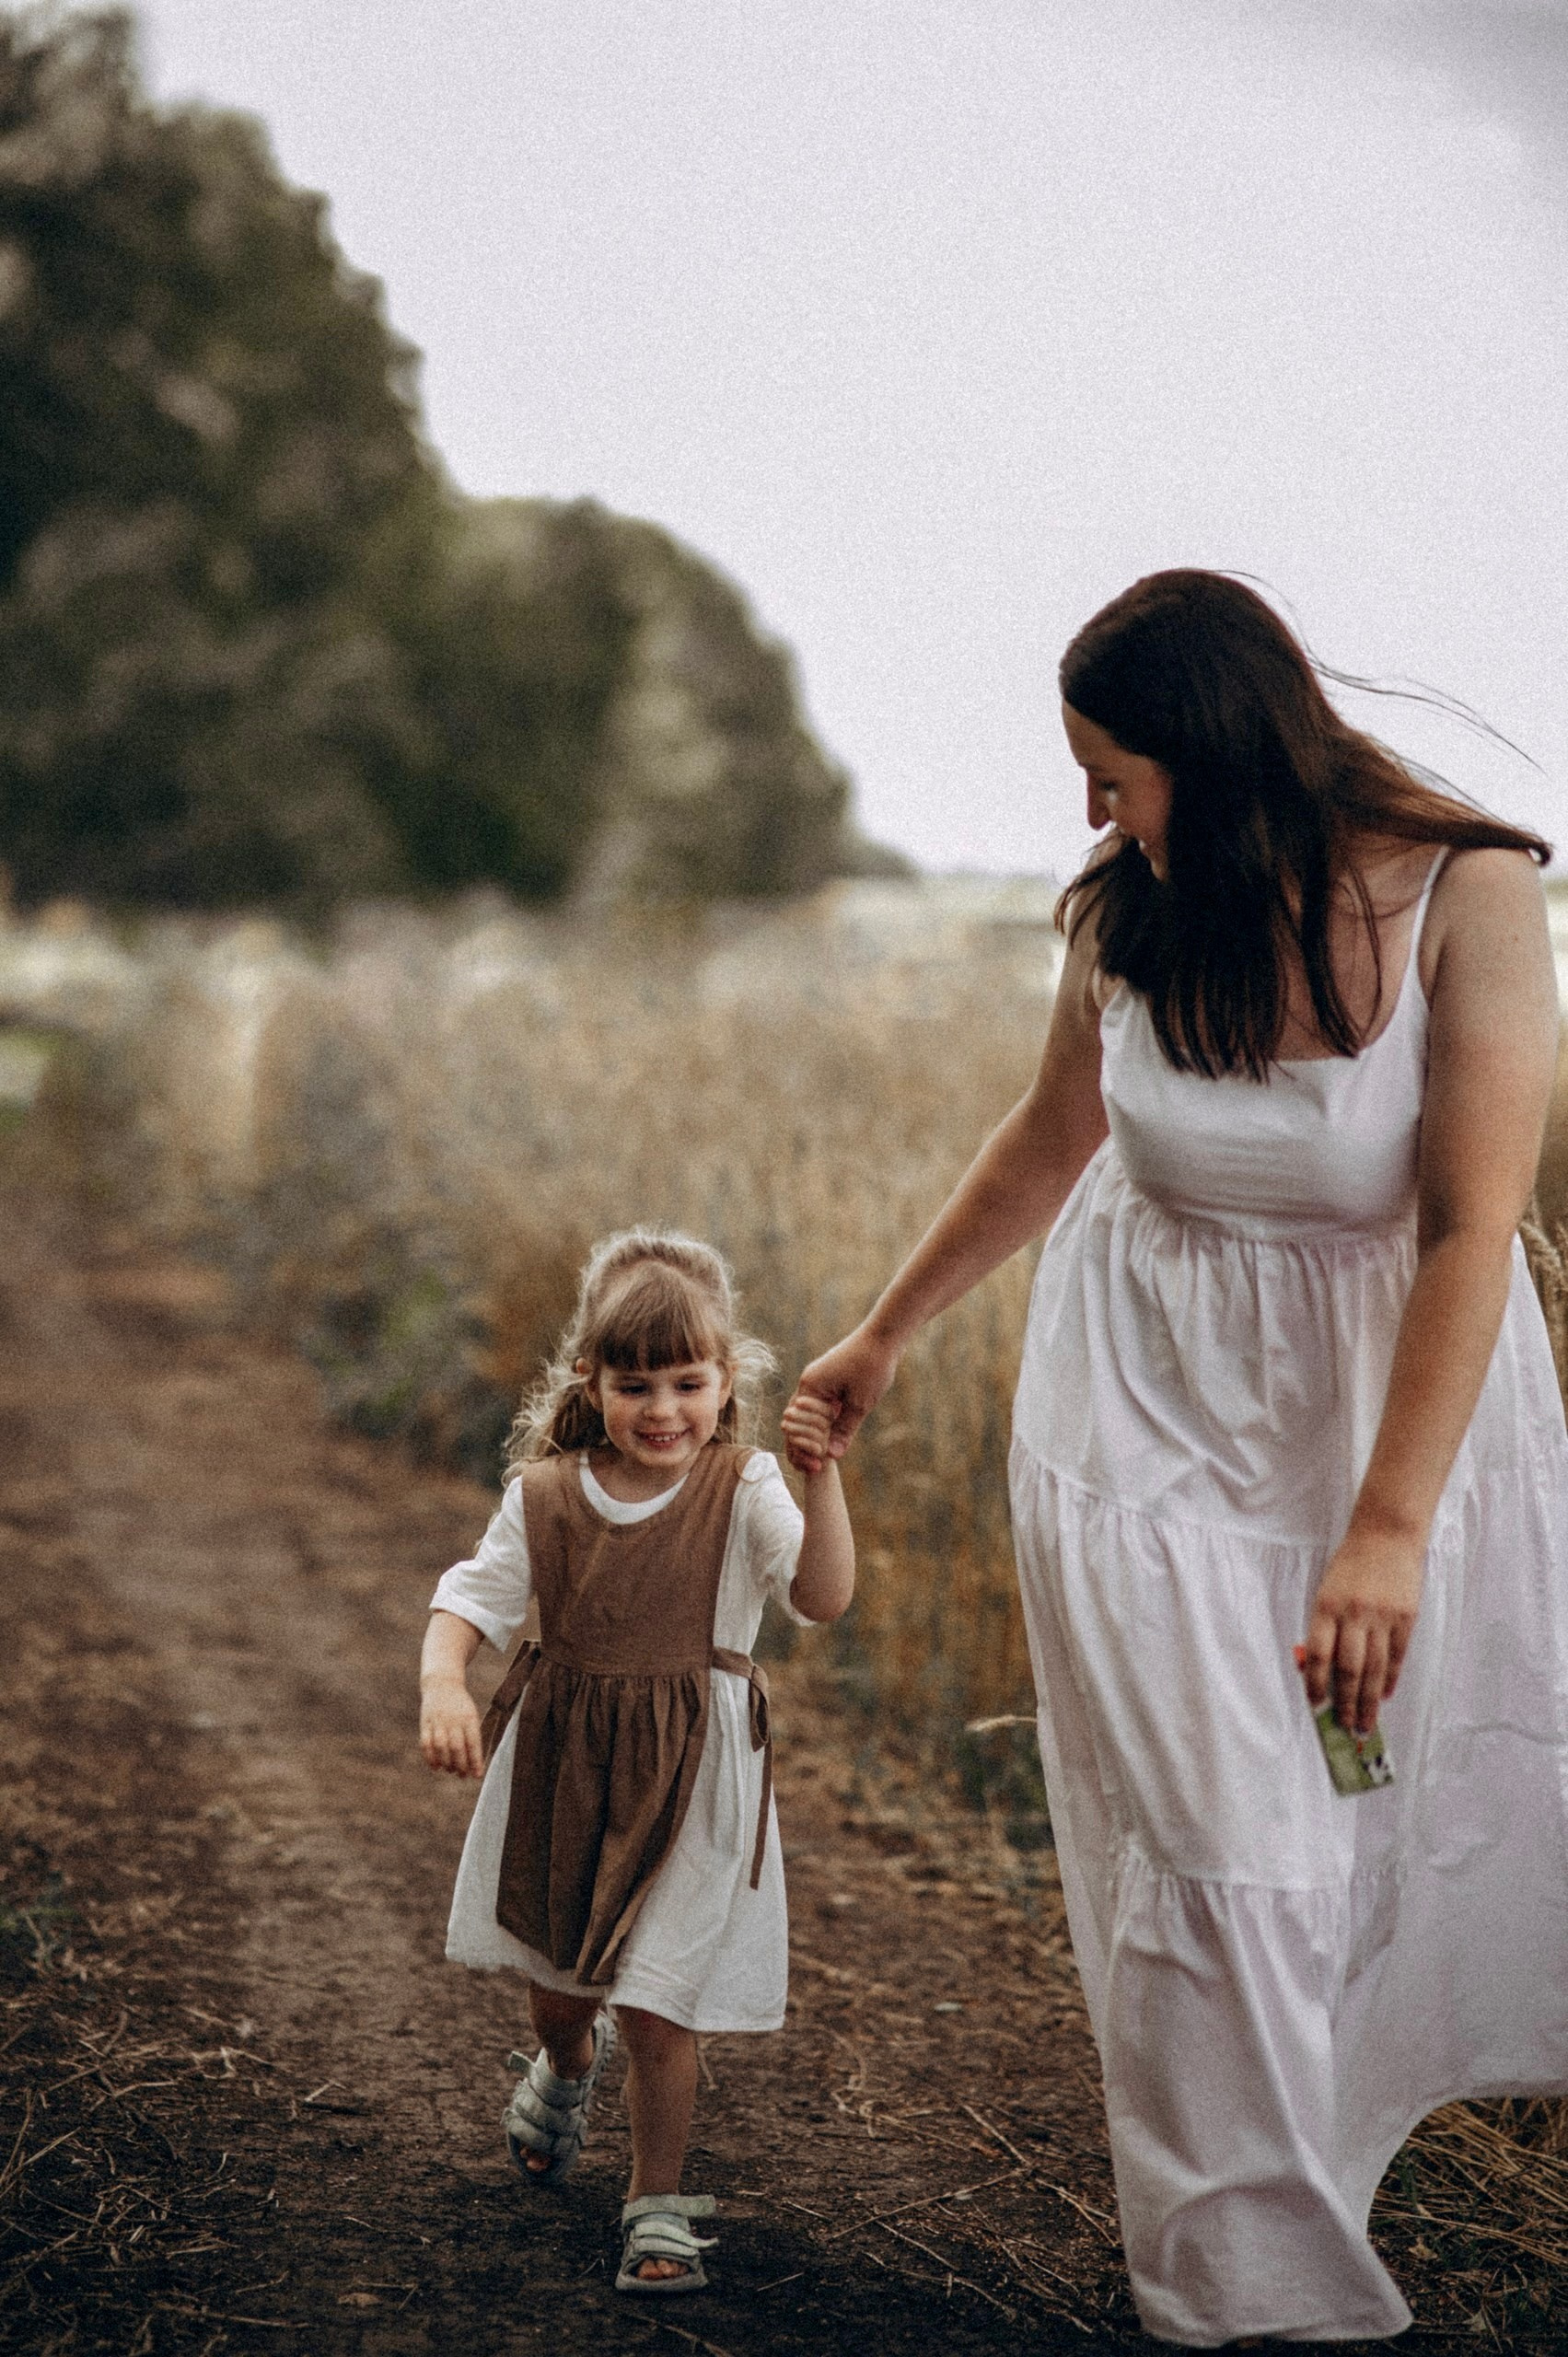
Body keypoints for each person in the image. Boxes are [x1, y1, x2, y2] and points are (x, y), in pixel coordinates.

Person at [789, 571, 1568, 2345]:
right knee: (1223, 1855)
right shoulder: (1124, 911)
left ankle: (1305, 2192)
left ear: (1218, 761)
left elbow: (1467, 1226)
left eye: (1113, 774)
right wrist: (884, 1332)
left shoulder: (1472, 895)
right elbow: (1049, 1138)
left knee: (1350, 1844)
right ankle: (1244, 2297)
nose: (1090, 813)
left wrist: (1383, 1531)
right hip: (1137, 1426)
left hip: (1384, 1425)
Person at [420, 1229, 853, 2297]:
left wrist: (823, 1477)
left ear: (725, 1380)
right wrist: (442, 1682)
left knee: (661, 2005)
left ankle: (654, 2203)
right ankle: (566, 2064)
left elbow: (820, 1596)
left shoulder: (743, 1484)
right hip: (569, 1774)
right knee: (561, 1994)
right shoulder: (547, 1495)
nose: (664, 1409)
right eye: (635, 1384)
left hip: (696, 1783)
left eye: (687, 1382)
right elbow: (470, 1596)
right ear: (590, 1382)